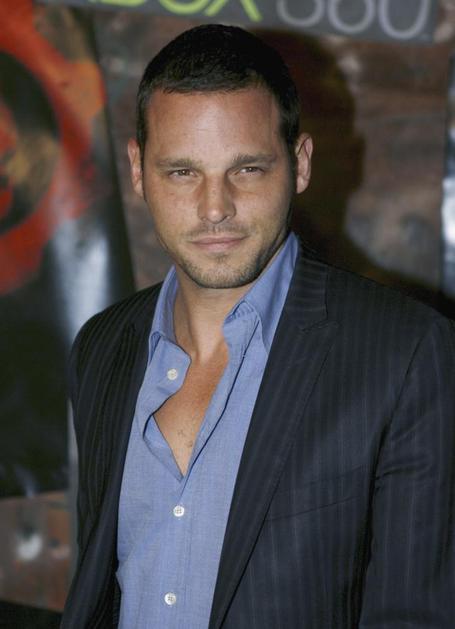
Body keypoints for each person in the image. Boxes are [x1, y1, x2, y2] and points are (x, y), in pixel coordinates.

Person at [61, 24, 455, 629]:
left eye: (246, 169)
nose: (215, 207)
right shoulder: (102, 346)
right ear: (138, 170)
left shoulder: (406, 353)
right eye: (182, 172)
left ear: (299, 164)